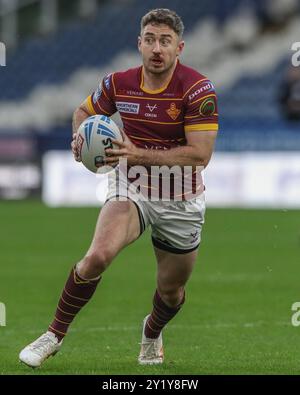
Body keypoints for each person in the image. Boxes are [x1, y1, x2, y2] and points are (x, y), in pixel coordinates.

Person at [19, 8, 218, 367]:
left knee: (171, 294)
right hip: (132, 186)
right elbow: (83, 112)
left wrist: (137, 152)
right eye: (151, 39)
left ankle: (152, 331)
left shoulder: (197, 89)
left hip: (180, 198)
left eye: (166, 41)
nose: (157, 48)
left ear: (179, 48)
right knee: (97, 255)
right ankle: (53, 335)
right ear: (139, 43)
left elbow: (200, 155)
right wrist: (79, 139)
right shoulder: (117, 83)